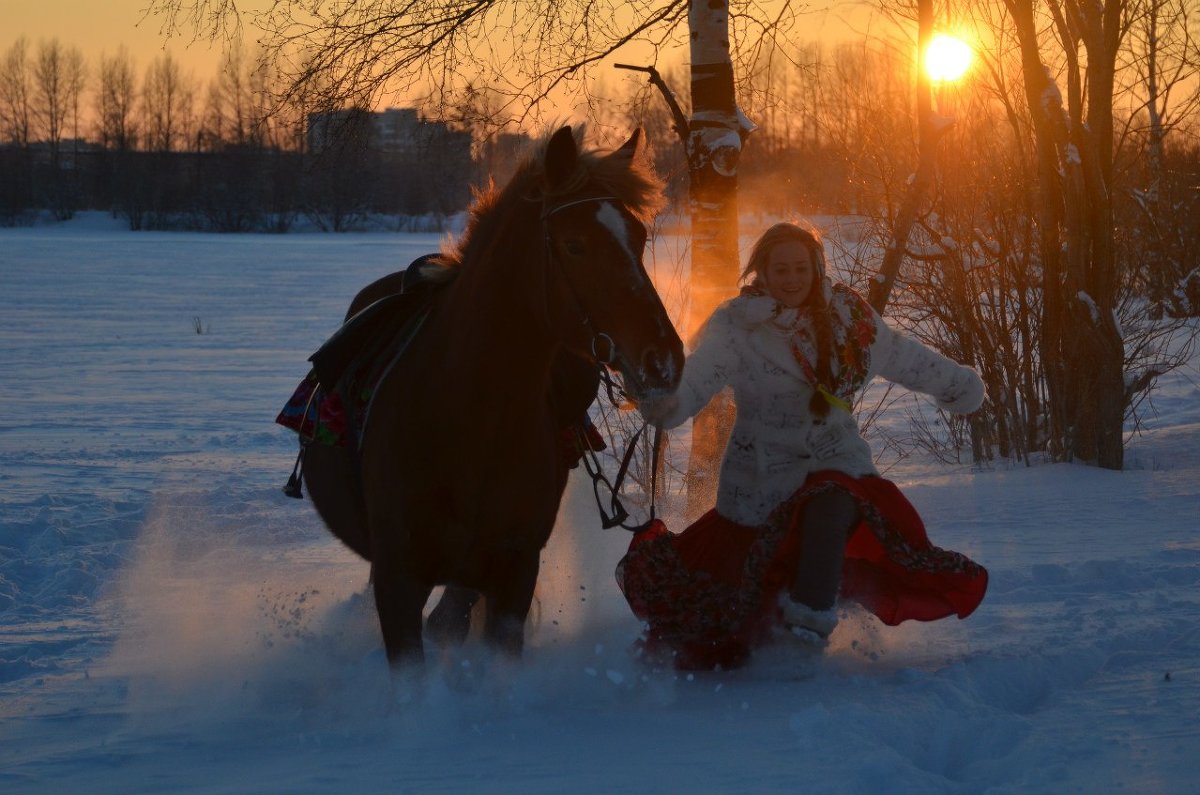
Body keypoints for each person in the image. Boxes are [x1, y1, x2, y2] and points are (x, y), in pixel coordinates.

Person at [617, 221, 988, 671]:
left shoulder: (850, 318)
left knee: (830, 501)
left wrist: (958, 387)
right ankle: (768, 642)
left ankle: (805, 638)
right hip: (760, 478)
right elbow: (697, 380)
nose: (792, 279)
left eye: (800, 269)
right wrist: (662, 401)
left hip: (837, 458)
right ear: (763, 273)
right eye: (781, 270)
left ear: (816, 269)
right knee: (737, 611)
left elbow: (905, 358)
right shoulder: (739, 325)